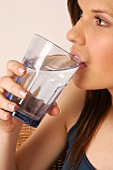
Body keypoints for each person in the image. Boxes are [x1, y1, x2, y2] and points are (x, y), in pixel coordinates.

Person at [0, 0, 113, 169]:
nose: (72, 33)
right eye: (81, 13)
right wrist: (7, 130)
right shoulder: (79, 98)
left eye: (101, 20)